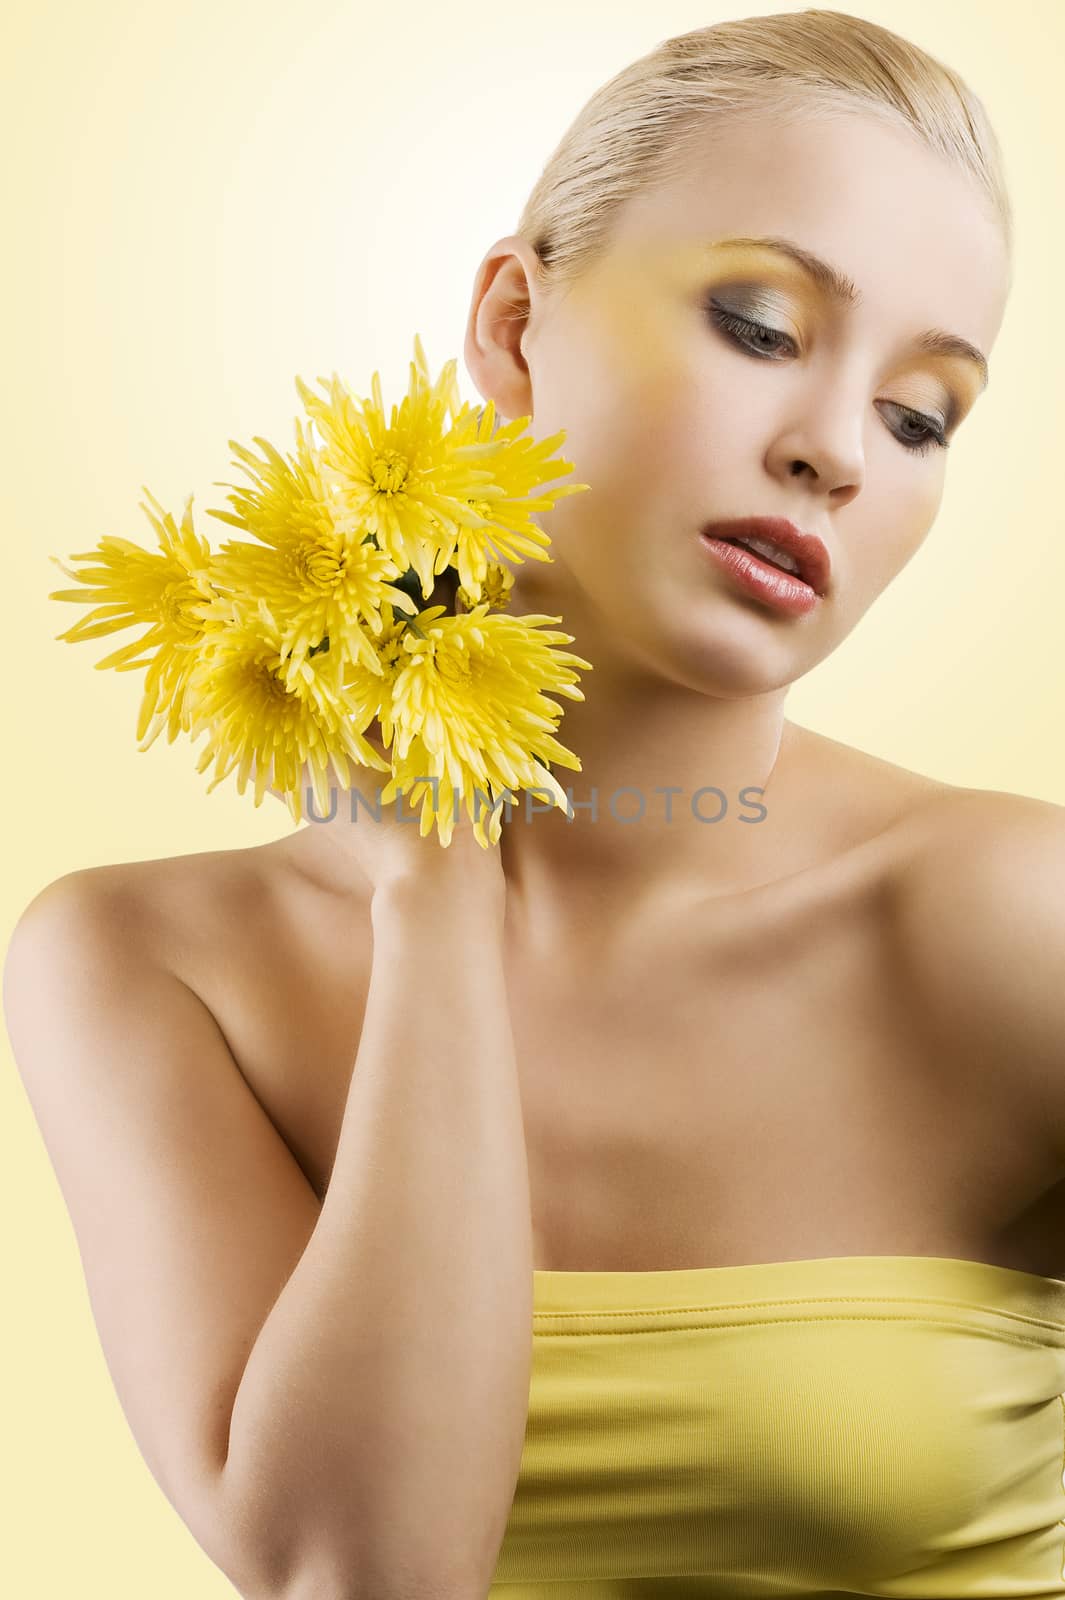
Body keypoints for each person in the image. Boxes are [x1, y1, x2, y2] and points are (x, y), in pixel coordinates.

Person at [6, 8, 1065, 1599]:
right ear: (512, 322)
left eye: (922, 416)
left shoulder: (1011, 920)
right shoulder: (145, 962)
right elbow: (362, 1571)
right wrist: (431, 882)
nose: (839, 450)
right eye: (761, 326)